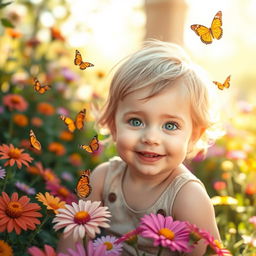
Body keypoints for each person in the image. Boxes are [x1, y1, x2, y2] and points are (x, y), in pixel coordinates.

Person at [58, 40, 221, 255]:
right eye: (136, 121)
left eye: (170, 125)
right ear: (114, 125)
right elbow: (75, 238)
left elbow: (210, 252)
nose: (151, 137)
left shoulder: (188, 197)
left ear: (193, 135)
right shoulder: (103, 178)